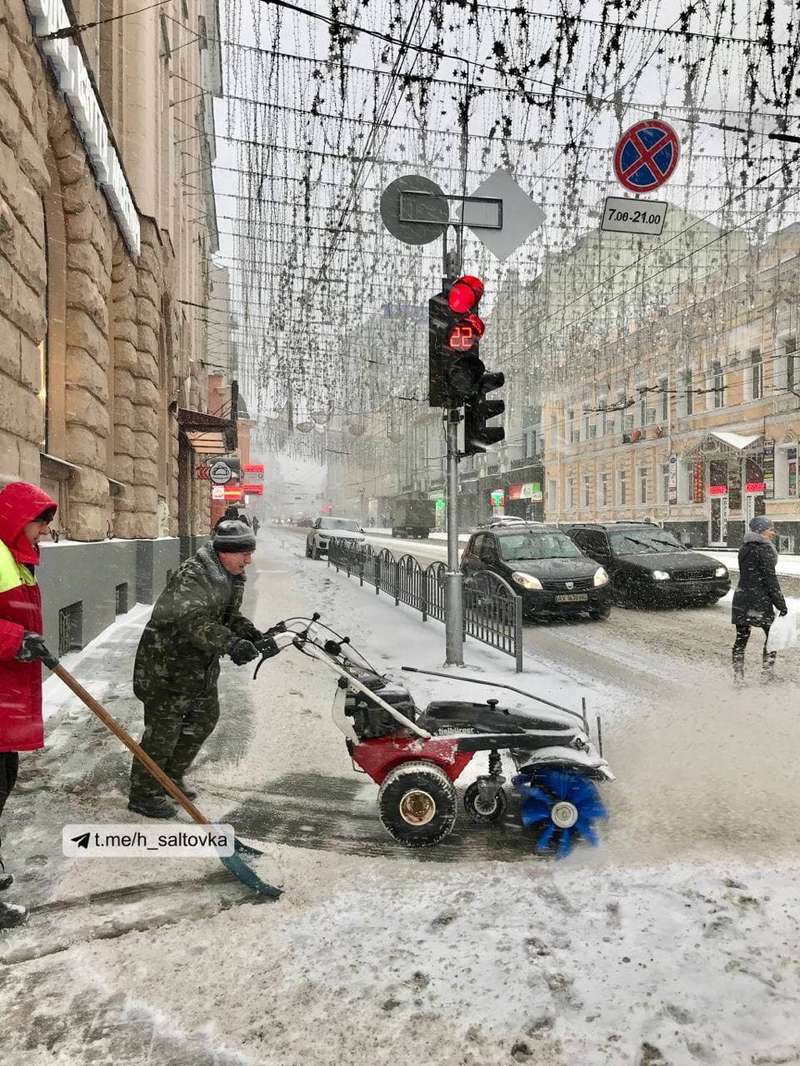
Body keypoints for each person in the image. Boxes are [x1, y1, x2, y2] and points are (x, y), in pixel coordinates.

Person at [128, 520, 278, 817]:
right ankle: (143, 793)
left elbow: (227, 616)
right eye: (244, 553)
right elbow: (194, 622)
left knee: (205, 718)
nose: (249, 560)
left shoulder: (232, 576)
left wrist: (251, 634)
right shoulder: (193, 576)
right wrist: (231, 644)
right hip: (166, 666)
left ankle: (169, 778)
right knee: (163, 732)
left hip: (198, 666)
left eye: (250, 552)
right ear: (224, 552)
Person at [0, 481, 58, 930]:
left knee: (4, 779)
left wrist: (28, 641)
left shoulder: (16, 559)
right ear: (19, 521)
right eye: (40, 523)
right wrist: (16, 639)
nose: (43, 532)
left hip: (7, 692)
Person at [731, 515, 787, 685]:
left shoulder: (745, 547)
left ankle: (738, 678)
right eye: (770, 529)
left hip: (742, 597)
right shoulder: (764, 549)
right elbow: (770, 579)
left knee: (741, 638)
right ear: (761, 531)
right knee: (772, 637)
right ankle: (767, 673)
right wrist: (780, 604)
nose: (773, 532)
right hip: (759, 600)